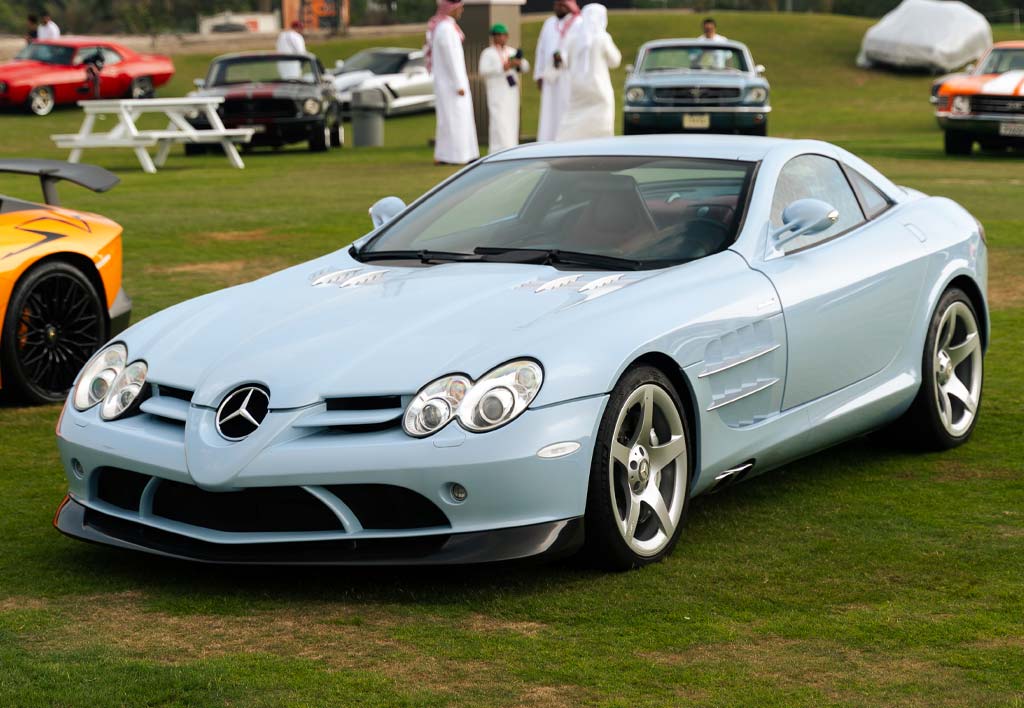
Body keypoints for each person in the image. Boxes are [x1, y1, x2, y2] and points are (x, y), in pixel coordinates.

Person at [556, 4, 621, 141]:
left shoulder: (573, 39)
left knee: (573, 117)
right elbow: (615, 61)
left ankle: (565, 143)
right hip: (598, 86)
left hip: (578, 86)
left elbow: (566, 63)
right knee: (602, 120)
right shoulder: (602, 38)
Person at [426, 0, 479, 165]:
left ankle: (451, 155)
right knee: (455, 119)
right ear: (452, 9)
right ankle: (456, 156)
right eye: (460, 7)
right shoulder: (446, 29)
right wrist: (459, 84)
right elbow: (452, 59)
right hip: (451, 85)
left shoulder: (444, 27)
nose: (462, 10)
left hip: (447, 83)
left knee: (450, 120)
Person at [534, 0, 581, 142]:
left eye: (562, 4)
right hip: (550, 76)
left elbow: (579, 49)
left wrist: (564, 58)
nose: (558, 7)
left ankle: (566, 140)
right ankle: (547, 140)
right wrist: (539, 74)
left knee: (566, 108)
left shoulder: (578, 23)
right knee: (549, 110)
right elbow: (541, 49)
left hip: (568, 75)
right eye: (556, 4)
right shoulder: (549, 23)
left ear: (570, 6)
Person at [479, 24, 529, 153]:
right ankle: (498, 150)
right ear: (493, 37)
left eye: (503, 35)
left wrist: (518, 63)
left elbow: (526, 67)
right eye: (498, 35)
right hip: (496, 92)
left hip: (511, 92)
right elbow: (483, 70)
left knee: (512, 120)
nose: (501, 38)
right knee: (499, 122)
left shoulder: (511, 51)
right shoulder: (488, 53)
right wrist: (503, 67)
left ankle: (512, 149)